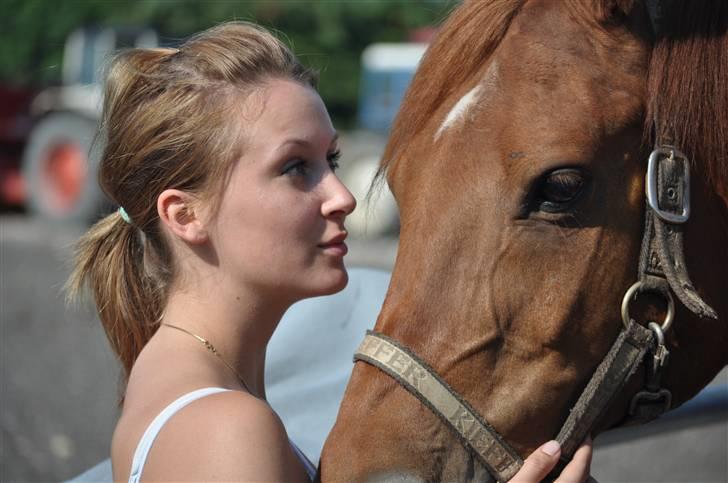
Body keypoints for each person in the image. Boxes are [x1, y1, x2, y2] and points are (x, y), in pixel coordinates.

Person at [67, 21, 593, 482]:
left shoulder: (196, 392)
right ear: (186, 216)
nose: (342, 197)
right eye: (296, 167)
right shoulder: (225, 430)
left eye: (332, 160)